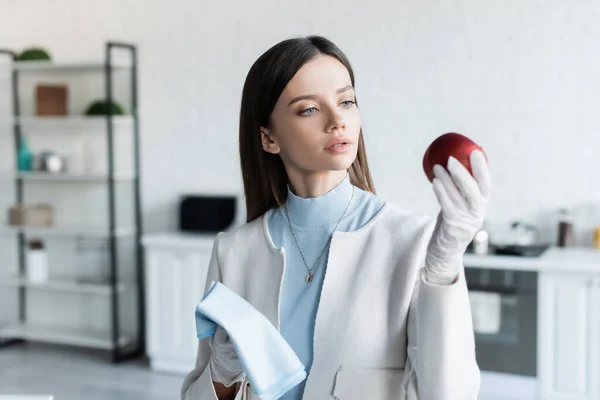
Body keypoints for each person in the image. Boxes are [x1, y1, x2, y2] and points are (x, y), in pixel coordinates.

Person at [181, 35, 490, 400]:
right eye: (309, 109)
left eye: (346, 101)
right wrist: (223, 370)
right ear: (268, 138)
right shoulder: (233, 252)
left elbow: (449, 395)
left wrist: (443, 268)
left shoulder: (413, 242)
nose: (337, 121)